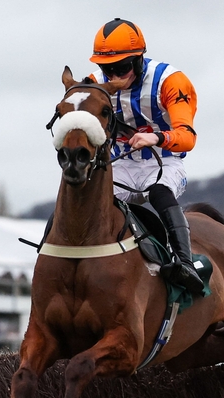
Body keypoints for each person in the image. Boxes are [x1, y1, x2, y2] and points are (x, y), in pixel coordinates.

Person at [86, 18, 204, 295]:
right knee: (88, 196)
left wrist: (156, 138)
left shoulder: (171, 81)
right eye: (107, 69)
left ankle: (185, 263)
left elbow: (188, 137)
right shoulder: (93, 84)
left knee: (159, 193)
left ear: (139, 59)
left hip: (163, 162)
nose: (114, 76)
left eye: (122, 67)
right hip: (121, 164)